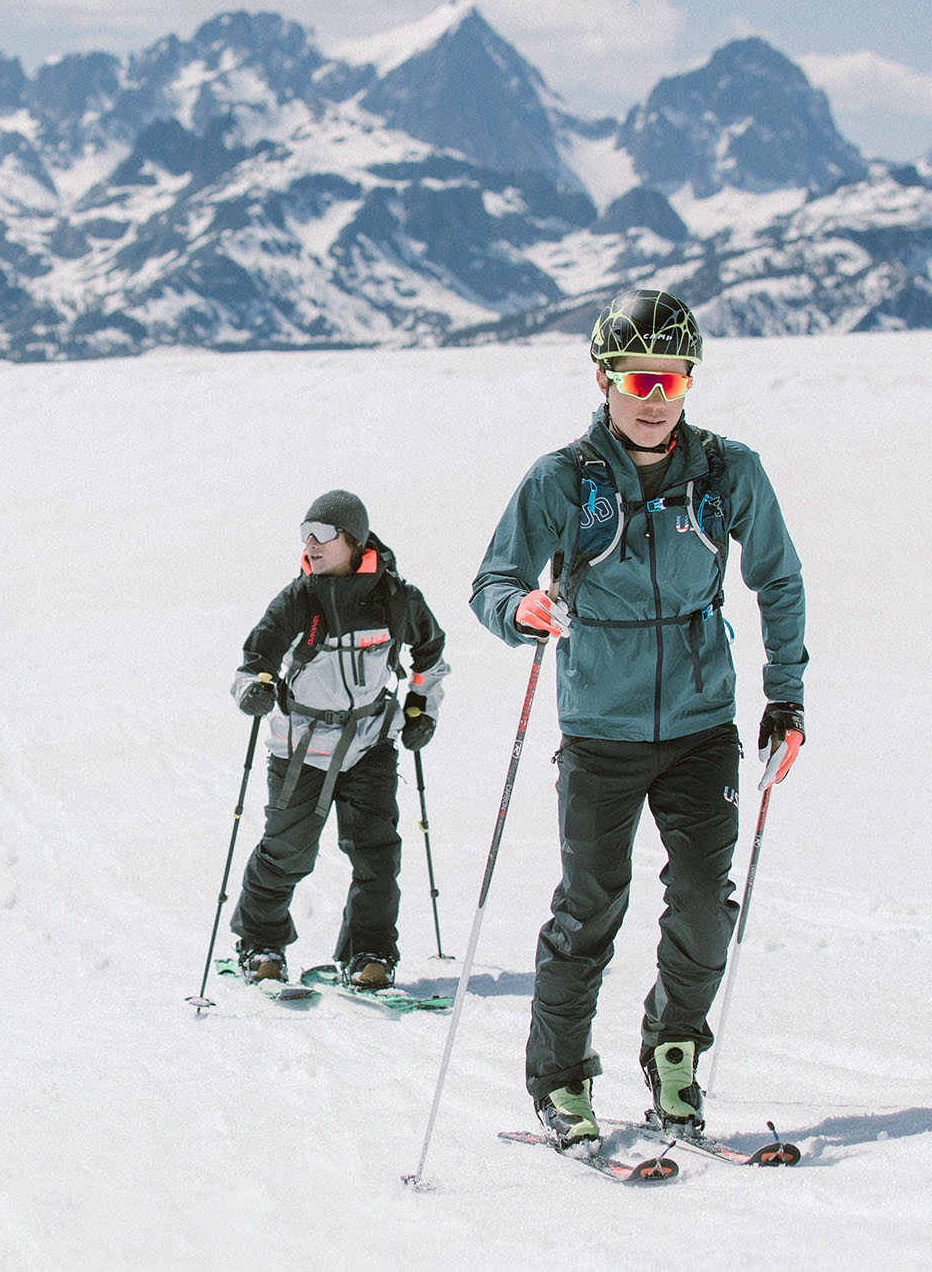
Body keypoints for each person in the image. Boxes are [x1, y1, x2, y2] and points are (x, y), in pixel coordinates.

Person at [469, 289, 806, 1147]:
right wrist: (523, 614)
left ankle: (676, 1059)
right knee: (590, 907)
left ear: (690, 383)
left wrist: (785, 696)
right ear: (603, 378)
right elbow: (493, 583)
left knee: (701, 901)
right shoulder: (563, 477)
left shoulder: (731, 472)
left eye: (671, 380)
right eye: (637, 380)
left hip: (702, 726)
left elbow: (779, 581)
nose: (654, 400)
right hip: (601, 731)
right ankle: (561, 1082)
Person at [230, 490, 450, 991]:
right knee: (288, 851)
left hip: (370, 742)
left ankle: (369, 952)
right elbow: (253, 663)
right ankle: (260, 942)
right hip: (300, 748)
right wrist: (255, 693)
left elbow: (431, 655)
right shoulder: (298, 599)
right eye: (305, 532)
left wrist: (420, 709)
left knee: (377, 853)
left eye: (322, 534)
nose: (310, 543)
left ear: (353, 540)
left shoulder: (396, 598)